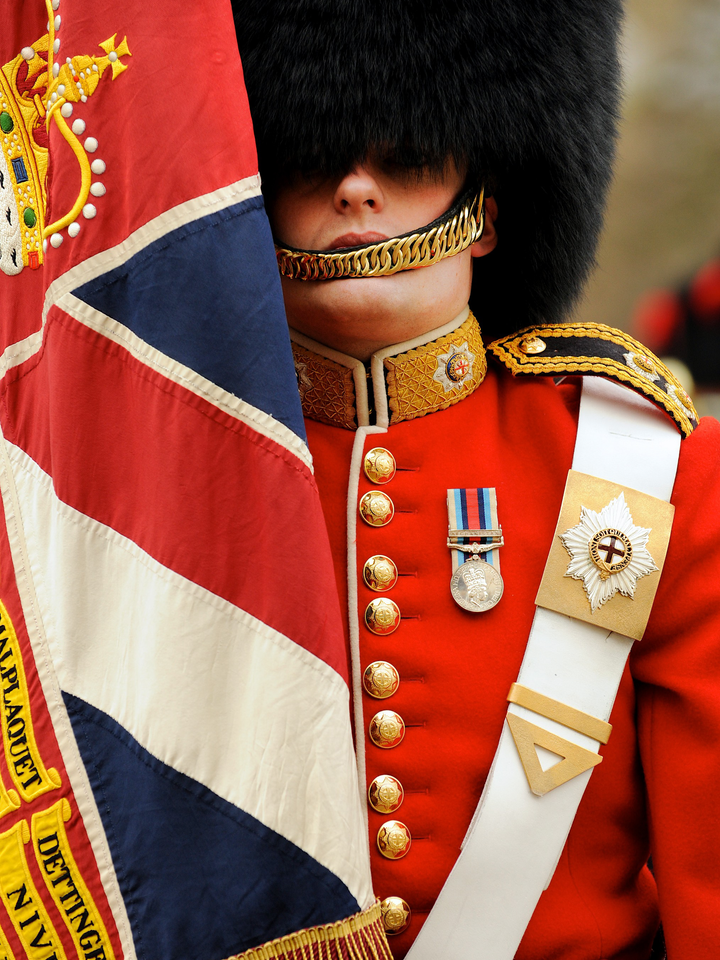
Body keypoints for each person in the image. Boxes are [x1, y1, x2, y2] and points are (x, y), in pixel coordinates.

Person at [232, 3, 720, 959]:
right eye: (308, 152)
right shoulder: (163, 475)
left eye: (409, 149)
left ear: (486, 209)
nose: (357, 188)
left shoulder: (646, 468)